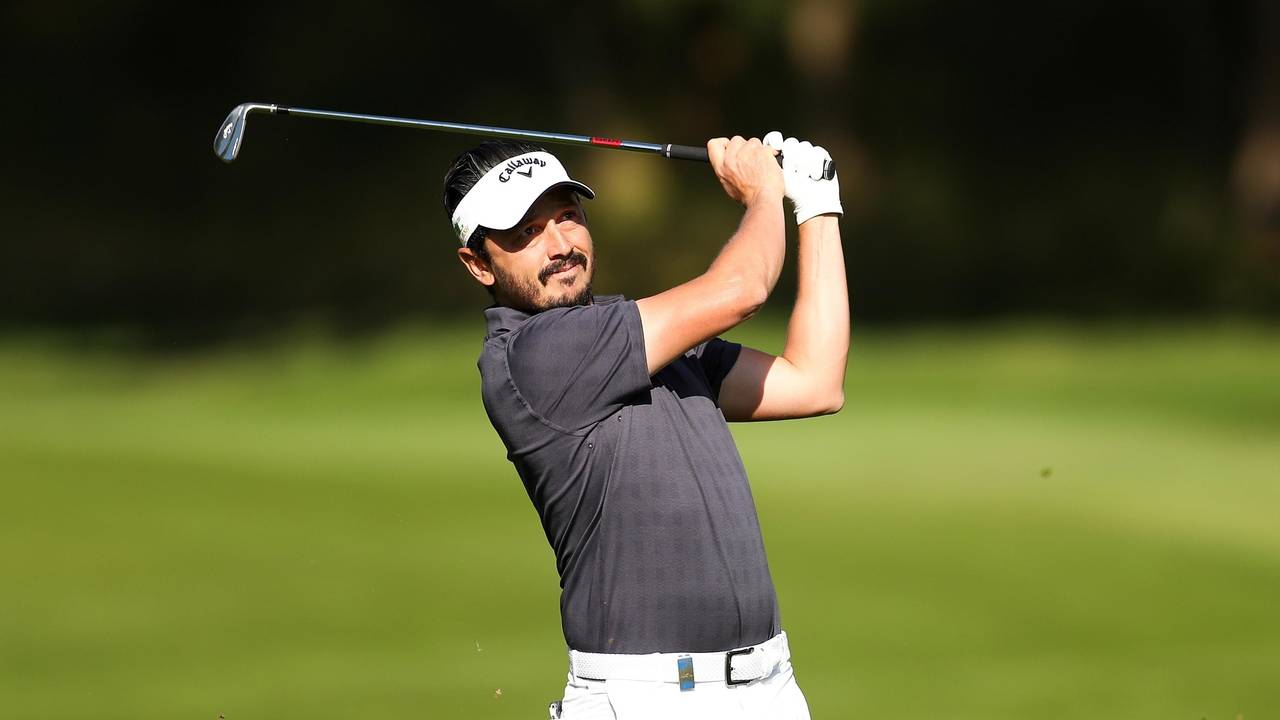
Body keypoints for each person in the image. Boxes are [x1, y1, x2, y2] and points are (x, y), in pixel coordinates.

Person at [442, 132, 847, 719]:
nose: (560, 245)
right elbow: (742, 290)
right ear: (479, 263)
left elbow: (815, 382)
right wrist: (764, 191)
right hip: (646, 698)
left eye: (567, 216)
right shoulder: (533, 355)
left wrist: (817, 207)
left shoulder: (640, 335)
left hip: (769, 687)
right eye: (526, 232)